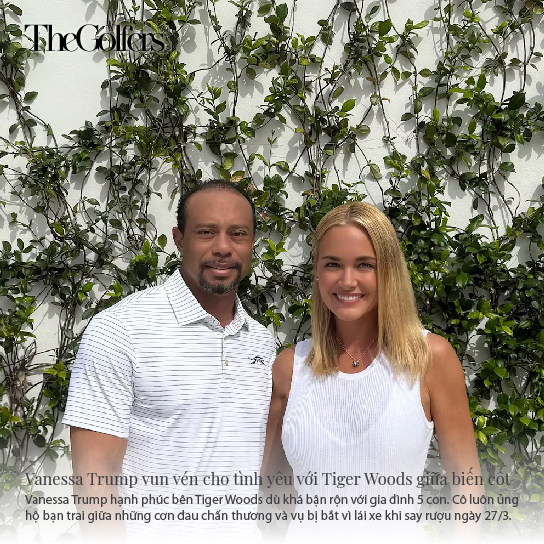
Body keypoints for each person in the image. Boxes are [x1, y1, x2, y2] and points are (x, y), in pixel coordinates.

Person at [63, 180, 276, 543]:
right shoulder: (121, 329)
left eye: (237, 234)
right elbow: (94, 476)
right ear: (179, 239)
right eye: (206, 232)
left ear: (252, 242)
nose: (223, 247)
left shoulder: (260, 341)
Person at [263, 201, 483, 543]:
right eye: (333, 264)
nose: (347, 280)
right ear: (317, 272)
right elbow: (267, 484)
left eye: (365, 264)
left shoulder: (429, 359)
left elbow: (466, 486)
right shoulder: (289, 368)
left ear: (388, 271)